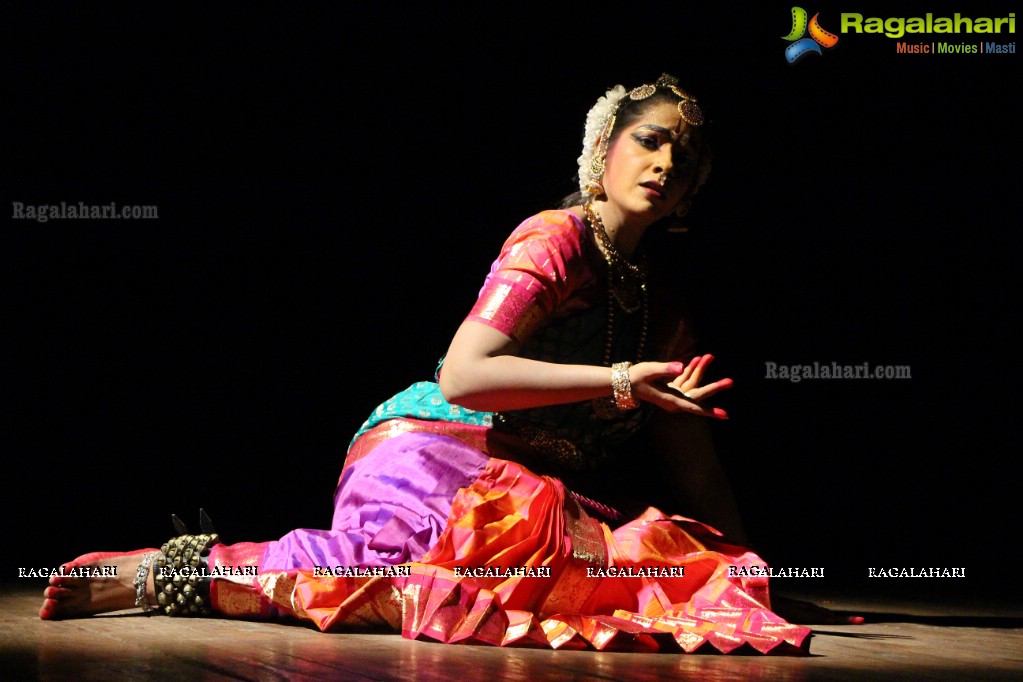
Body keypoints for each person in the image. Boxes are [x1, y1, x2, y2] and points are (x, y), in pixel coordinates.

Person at [39, 73, 822, 654]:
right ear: (604, 147)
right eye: (648, 140)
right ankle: (173, 572)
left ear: (692, 189)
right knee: (438, 588)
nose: (662, 163)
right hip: (435, 449)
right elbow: (464, 375)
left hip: (528, 493)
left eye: (681, 157)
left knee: (668, 575)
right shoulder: (552, 240)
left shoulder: (665, 309)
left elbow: (697, 469)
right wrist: (619, 381)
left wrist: (746, 569)